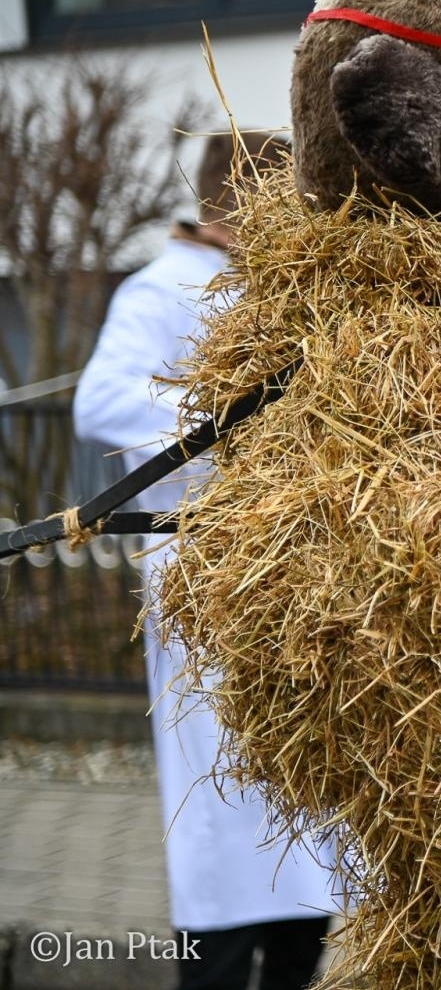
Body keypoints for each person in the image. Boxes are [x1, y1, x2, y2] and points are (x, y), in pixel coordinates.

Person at [75, 132, 337, 990]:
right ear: (250, 207)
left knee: (305, 790)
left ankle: (295, 959)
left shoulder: (270, 288)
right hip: (204, 571)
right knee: (221, 797)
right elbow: (103, 400)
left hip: (288, 560)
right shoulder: (159, 290)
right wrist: (230, 420)